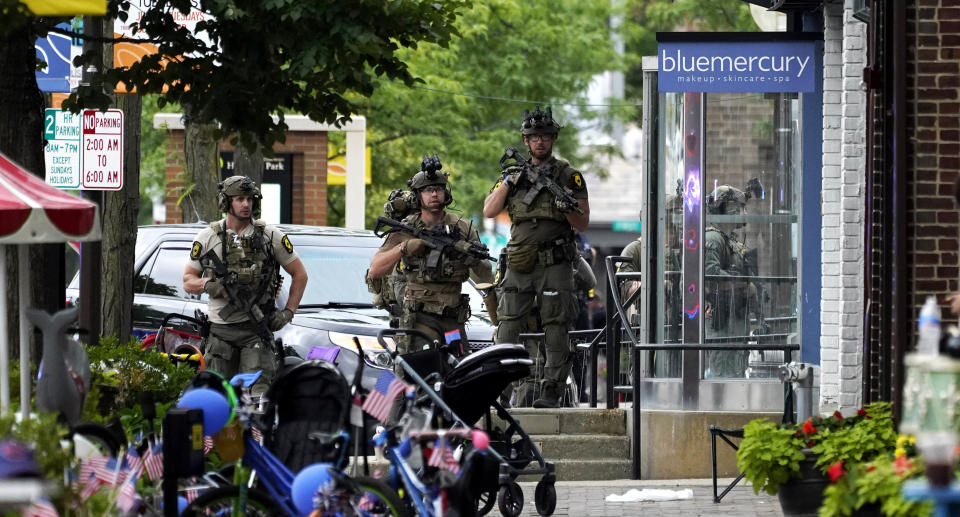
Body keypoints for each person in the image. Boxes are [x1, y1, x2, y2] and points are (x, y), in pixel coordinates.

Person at [483, 106, 590, 408]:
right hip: (519, 262)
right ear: (525, 140)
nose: (539, 142)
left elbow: (582, 222)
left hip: (555, 262)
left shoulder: (570, 177)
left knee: (556, 327)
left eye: (545, 136)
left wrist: (565, 207)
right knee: (507, 327)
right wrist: (509, 181)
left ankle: (551, 391)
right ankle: (498, 390)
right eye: (533, 137)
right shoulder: (512, 175)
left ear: (554, 138)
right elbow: (490, 210)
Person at [183, 176, 308, 396]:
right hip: (220, 332)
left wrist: (288, 312)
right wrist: (209, 284)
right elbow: (188, 280)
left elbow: (300, 274)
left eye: (250, 199)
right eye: (240, 199)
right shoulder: (208, 237)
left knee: (256, 397)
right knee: (217, 395)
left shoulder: (270, 235)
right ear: (226, 202)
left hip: (256, 331)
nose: (246, 204)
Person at [369, 155, 495, 357]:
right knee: (417, 374)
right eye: (428, 190)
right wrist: (405, 247)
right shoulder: (407, 227)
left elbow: (485, 272)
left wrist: (468, 256)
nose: (434, 194)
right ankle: (388, 388)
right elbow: (376, 268)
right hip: (420, 319)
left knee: (459, 372)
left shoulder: (462, 227)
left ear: (446, 193)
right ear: (418, 196)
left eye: (438, 189)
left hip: (452, 319)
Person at [703, 185, 758, 378]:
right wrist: (742, 284)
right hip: (722, 319)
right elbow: (710, 276)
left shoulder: (730, 240)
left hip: (736, 317)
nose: (744, 212)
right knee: (723, 373)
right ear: (728, 209)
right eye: (740, 207)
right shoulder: (713, 238)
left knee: (737, 371)